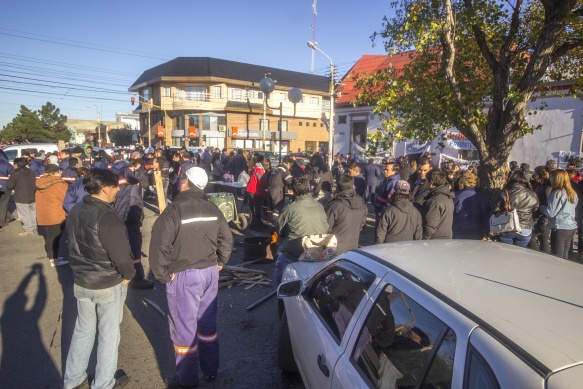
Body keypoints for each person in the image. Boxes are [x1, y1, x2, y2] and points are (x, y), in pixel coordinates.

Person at [149, 167, 233, 389]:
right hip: (209, 274)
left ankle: (186, 380)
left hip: (185, 276)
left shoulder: (174, 210)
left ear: (186, 182)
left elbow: (159, 246)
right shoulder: (212, 209)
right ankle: (210, 370)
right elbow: (227, 238)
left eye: (182, 177)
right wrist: (220, 262)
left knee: (184, 329)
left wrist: (162, 275)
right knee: (207, 324)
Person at [63, 169, 135, 389]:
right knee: (108, 335)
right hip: (106, 282)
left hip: (82, 280)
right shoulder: (108, 217)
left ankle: (73, 379)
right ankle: (103, 383)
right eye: (115, 186)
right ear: (105, 188)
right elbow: (121, 256)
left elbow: (72, 244)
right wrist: (128, 276)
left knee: (83, 330)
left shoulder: (75, 210)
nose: (118, 190)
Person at [274, 176, 329, 284]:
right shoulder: (319, 206)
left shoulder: (291, 208)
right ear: (308, 188)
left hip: (295, 251)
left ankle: (282, 292)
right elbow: (326, 227)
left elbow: (278, 227)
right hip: (316, 250)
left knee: (281, 261)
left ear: (293, 190)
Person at [35, 164, 68, 267]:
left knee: (48, 237)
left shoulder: (40, 182)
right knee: (55, 238)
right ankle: (54, 260)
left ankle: (51, 257)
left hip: (43, 213)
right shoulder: (60, 184)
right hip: (56, 214)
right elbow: (65, 200)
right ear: (57, 172)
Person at [495, 172, 539, 247]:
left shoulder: (504, 193)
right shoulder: (532, 194)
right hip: (525, 228)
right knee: (519, 255)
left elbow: (495, 210)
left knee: (505, 254)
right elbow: (536, 210)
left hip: (506, 226)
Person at [325, 174, 368, 254]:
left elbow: (326, 227)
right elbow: (362, 224)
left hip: (334, 249)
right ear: (352, 186)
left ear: (338, 187)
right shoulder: (361, 203)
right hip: (353, 246)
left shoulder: (335, 205)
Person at [541, 169, 578, 259]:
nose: (549, 179)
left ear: (557, 178)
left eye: (551, 177)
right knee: (564, 256)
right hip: (571, 226)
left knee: (557, 257)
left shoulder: (558, 193)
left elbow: (551, 212)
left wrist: (541, 207)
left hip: (560, 227)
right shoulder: (572, 192)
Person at [452, 172, 490, 240]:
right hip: (476, 229)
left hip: (458, 228)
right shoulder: (480, 196)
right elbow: (485, 214)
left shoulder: (455, 195)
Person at [6, 157, 37, 236]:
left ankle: (28, 229)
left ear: (16, 165)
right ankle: (34, 227)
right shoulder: (32, 172)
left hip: (21, 196)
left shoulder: (15, 174)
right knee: (32, 213)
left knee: (24, 214)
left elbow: (9, 186)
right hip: (32, 195)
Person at [421, 169, 454, 240]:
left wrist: (424, 240)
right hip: (446, 238)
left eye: (426, 180)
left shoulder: (434, 201)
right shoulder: (448, 197)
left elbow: (430, 225)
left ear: (431, 182)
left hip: (435, 241)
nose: (425, 183)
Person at [267, 155, 293, 220]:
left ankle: (271, 221)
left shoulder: (275, 168)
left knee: (271, 208)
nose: (289, 168)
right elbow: (289, 180)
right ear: (288, 164)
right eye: (290, 166)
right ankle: (275, 226)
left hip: (269, 189)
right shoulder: (284, 169)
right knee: (277, 208)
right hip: (277, 190)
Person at [246, 155, 266, 228]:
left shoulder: (256, 168)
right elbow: (262, 181)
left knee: (254, 208)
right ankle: (255, 224)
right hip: (255, 191)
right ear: (262, 161)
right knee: (256, 208)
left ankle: (256, 222)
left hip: (252, 190)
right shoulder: (259, 170)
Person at [0, 149, 14, 232]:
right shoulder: (7, 164)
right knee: (3, 204)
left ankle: (8, 217)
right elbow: (12, 176)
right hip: (5, 187)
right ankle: (1, 221)